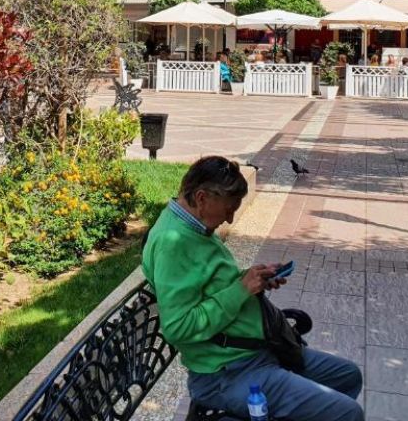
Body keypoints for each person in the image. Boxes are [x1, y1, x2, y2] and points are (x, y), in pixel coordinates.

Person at [142, 157, 364, 421]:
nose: (229, 219)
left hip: (261, 349)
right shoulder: (174, 243)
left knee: (348, 376)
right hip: (227, 372)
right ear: (201, 198)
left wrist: (253, 278)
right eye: (228, 209)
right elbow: (177, 327)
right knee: (348, 414)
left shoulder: (192, 227)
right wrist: (241, 290)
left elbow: (210, 284)